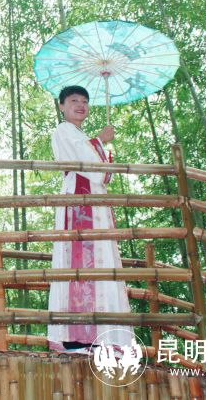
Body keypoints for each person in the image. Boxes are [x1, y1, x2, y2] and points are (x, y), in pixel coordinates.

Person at [47, 86, 132, 353]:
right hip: (78, 200)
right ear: (61, 106)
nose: (80, 105)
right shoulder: (63, 130)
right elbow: (84, 161)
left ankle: (102, 337)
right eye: (74, 100)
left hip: (95, 202)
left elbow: (104, 173)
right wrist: (100, 141)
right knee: (77, 261)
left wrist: (100, 143)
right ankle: (76, 338)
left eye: (84, 101)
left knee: (101, 260)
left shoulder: (82, 135)